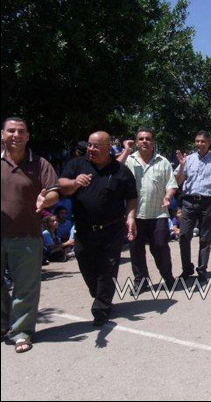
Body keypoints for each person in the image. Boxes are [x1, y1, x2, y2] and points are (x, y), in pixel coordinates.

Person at [60, 131, 138, 327]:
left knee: (107, 268)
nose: (91, 149)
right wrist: (74, 182)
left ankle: (101, 308)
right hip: (83, 228)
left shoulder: (121, 171)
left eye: (96, 146)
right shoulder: (77, 164)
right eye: (89, 145)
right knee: (85, 263)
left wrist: (130, 218)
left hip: (112, 229)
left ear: (108, 148)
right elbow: (61, 184)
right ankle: (100, 294)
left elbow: (131, 197)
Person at [1, 117, 60, 353]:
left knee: (25, 288)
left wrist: (45, 200)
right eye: (11, 131)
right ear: (2, 134)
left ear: (27, 136)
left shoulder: (40, 164)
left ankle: (21, 332)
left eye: (21, 131)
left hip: (26, 236)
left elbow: (54, 191)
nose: (16, 135)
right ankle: (3, 323)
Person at [118, 128, 178, 293]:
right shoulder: (129, 160)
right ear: (136, 142)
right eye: (141, 139)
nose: (144, 141)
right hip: (134, 215)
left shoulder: (163, 162)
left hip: (158, 213)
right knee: (136, 251)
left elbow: (171, 184)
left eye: (148, 138)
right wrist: (126, 150)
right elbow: (114, 168)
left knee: (160, 247)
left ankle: (168, 277)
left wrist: (168, 196)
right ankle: (141, 281)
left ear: (153, 142)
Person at [174, 131, 211, 281]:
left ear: (209, 143)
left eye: (203, 141)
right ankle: (187, 269)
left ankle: (202, 269)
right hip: (189, 201)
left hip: (207, 202)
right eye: (197, 141)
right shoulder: (188, 159)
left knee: (205, 237)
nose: (199, 144)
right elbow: (178, 181)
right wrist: (181, 166)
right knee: (184, 236)